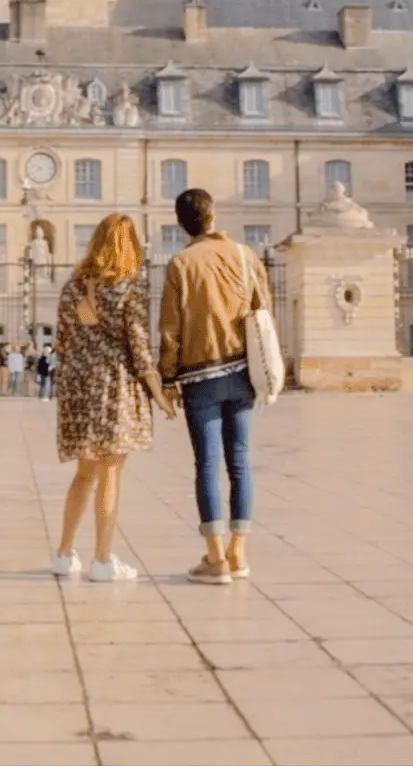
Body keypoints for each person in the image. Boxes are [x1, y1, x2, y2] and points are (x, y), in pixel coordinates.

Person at [51, 214, 172, 583]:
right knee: (112, 472)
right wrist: (160, 396)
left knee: (84, 474)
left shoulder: (73, 287)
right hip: (114, 385)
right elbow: (138, 347)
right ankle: (103, 560)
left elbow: (62, 341)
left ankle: (64, 553)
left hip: (78, 385)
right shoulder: (128, 288)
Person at [158, 187, 270, 585]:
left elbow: (170, 330)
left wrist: (167, 378)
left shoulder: (180, 264)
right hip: (242, 373)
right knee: (240, 461)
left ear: (181, 222)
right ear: (213, 216)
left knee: (206, 464)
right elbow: (263, 311)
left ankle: (215, 556)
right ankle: (239, 552)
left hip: (199, 377)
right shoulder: (245, 256)